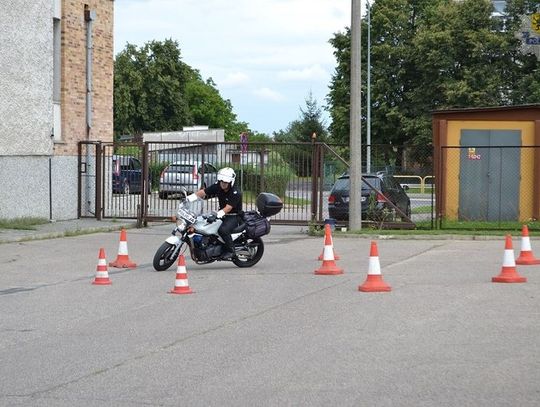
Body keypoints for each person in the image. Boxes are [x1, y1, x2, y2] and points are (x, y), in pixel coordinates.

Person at [186, 167, 242, 260]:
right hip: (222, 214)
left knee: (222, 230)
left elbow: (228, 208)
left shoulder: (235, 192)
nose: (223, 184)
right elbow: (203, 192)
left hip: (234, 216)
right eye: (221, 181)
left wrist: (217, 215)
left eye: (225, 182)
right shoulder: (218, 186)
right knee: (204, 222)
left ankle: (231, 251)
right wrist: (189, 198)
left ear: (230, 182)